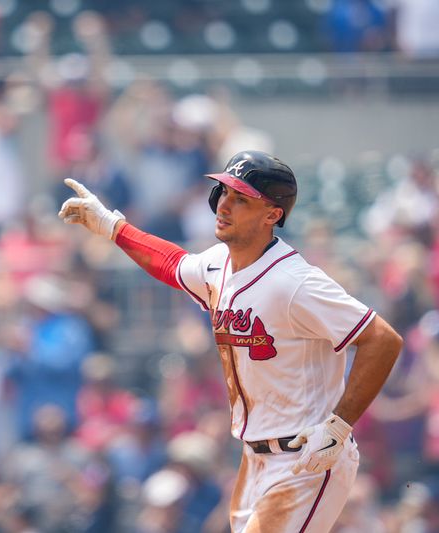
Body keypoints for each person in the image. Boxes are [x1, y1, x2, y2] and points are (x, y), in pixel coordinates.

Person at [58, 150, 403, 532]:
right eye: (223, 193)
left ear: (273, 214)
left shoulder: (295, 283)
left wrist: (340, 426)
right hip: (253, 458)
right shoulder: (218, 264)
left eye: (241, 199)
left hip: (305, 459)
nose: (224, 205)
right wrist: (112, 226)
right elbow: (172, 264)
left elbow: (382, 339)